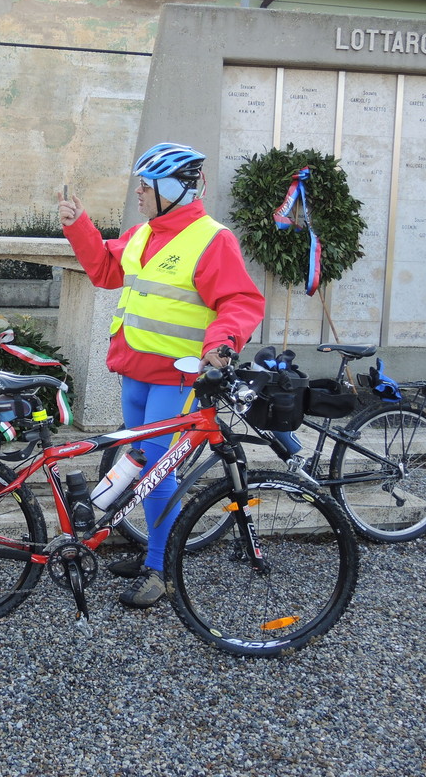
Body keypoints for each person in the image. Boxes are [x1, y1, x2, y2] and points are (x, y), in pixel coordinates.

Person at [57, 142, 265, 608]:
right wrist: (79, 224)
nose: (139, 193)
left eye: (146, 187)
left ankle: (160, 567)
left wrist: (221, 344)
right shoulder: (143, 234)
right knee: (142, 463)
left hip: (178, 378)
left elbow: (239, 301)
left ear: (173, 189)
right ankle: (151, 549)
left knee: (154, 468)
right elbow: (106, 270)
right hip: (136, 370)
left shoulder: (213, 238)